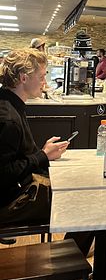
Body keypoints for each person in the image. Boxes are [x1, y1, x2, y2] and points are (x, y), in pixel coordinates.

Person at [0, 48, 68, 226]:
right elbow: (3, 174)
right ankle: (74, 251)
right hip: (9, 204)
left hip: (14, 192)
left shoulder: (9, 104)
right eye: (41, 77)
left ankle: (73, 250)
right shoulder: (9, 119)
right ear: (23, 78)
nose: (45, 83)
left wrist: (43, 153)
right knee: (78, 201)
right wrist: (42, 156)